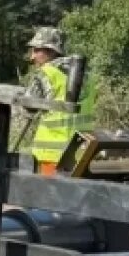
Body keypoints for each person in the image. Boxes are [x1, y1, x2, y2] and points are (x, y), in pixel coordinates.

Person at [22, 26, 96, 167]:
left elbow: (28, 107)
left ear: (51, 51)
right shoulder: (88, 76)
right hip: (82, 154)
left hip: (52, 154)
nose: (32, 57)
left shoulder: (46, 73)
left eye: (36, 50)